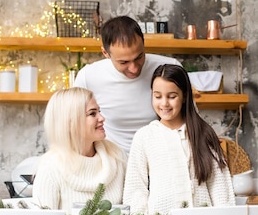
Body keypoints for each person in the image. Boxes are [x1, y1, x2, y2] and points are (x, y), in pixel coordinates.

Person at [124, 64, 235, 215]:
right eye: (157, 96)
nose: (164, 103)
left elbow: (219, 187)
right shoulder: (144, 137)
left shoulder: (203, 133)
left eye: (171, 96)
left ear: (184, 97)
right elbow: (135, 189)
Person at [74, 15, 180, 154]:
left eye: (139, 57)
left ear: (143, 44)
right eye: (124, 62)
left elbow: (189, 122)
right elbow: (74, 125)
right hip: (111, 161)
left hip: (159, 157)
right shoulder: (88, 76)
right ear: (105, 53)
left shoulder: (170, 67)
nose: (134, 68)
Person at [32, 87, 132, 214]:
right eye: (92, 113)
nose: (102, 118)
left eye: (99, 111)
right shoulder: (50, 169)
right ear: (69, 123)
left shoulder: (117, 156)